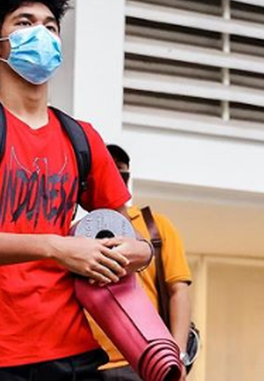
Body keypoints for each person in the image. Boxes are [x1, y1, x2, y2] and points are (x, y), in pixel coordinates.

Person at [0, 0, 153, 381]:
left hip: (71, 350)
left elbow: (135, 240)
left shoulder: (81, 137)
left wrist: (137, 253)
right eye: (25, 23)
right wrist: (55, 246)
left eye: (50, 27)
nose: (42, 34)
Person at [96, 144, 192, 381]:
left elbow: (178, 291)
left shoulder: (155, 227)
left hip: (147, 360)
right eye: (108, 167)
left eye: (121, 169)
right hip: (90, 364)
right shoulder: (77, 231)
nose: (115, 175)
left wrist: (177, 357)